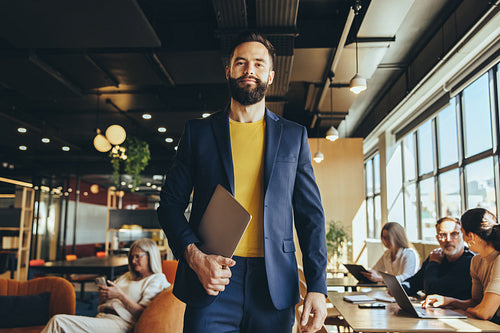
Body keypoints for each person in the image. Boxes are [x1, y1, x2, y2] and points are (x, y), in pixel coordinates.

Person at [157, 32, 327, 333]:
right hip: (212, 279)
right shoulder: (199, 134)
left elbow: (310, 216)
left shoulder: (293, 136)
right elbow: (169, 205)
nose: (250, 69)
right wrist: (195, 258)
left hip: (274, 284)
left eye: (259, 64)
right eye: (241, 62)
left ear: (271, 75)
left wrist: (318, 286)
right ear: (229, 71)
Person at [42, 239, 169, 333]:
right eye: (131, 257)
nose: (133, 261)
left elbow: (144, 314)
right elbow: (102, 306)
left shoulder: (156, 279)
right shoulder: (127, 276)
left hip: (121, 324)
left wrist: (120, 296)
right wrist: (104, 296)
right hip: (103, 317)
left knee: (58, 322)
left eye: (138, 256)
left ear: (150, 256)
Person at [423, 208, 500, 324]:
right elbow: (476, 302)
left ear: (471, 237)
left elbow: (485, 312)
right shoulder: (476, 262)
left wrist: (466, 311)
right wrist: (449, 301)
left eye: (461, 233)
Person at [402, 217, 473, 299]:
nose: (448, 240)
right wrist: (401, 288)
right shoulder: (437, 255)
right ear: (437, 239)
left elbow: (433, 292)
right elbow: (415, 282)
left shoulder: (469, 261)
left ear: (463, 236)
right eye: (443, 235)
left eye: (454, 234)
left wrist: (433, 263)